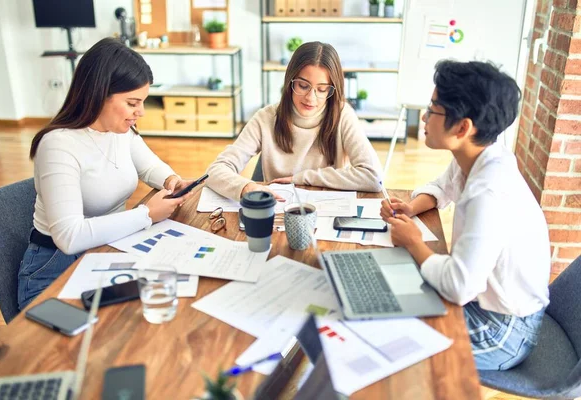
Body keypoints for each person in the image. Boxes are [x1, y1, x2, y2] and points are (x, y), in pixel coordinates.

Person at [380, 60, 550, 371]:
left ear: (462, 127)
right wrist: (413, 206)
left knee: (391, 341)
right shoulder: (482, 154)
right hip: (485, 303)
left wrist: (414, 242)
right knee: (387, 296)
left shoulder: (488, 193)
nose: (425, 117)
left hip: (503, 330)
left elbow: (459, 286)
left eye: (433, 109)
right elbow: (444, 186)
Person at [19, 38, 196, 310]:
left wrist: (171, 180)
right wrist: (146, 215)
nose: (141, 112)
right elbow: (69, 237)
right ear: (100, 94)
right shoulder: (58, 145)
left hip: (106, 251)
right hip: (55, 269)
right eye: (132, 103)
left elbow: (149, 166)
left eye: (143, 102)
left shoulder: (119, 131)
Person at [206, 41, 382, 202]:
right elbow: (216, 170)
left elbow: (373, 177)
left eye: (321, 90)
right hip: (278, 210)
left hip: (324, 210)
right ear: (290, 82)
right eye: (303, 86)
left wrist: (302, 178)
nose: (310, 98)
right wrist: (245, 187)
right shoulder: (265, 118)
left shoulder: (342, 114)